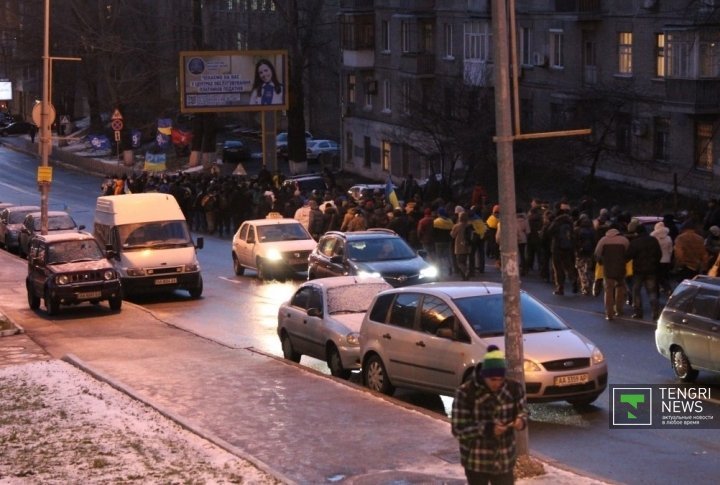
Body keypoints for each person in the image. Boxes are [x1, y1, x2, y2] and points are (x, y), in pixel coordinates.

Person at [452, 345, 529, 485]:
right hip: (476, 461)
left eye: (501, 379)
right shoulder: (465, 393)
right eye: (493, 379)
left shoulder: (513, 388)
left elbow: (523, 410)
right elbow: (458, 429)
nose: (497, 383)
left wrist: (520, 420)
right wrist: (488, 429)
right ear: (484, 375)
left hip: (504, 460)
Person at [625, 224, 662, 320]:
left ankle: (638, 312)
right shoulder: (653, 240)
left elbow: (628, 255)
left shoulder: (635, 242)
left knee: (636, 290)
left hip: (638, 270)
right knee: (652, 291)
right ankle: (655, 312)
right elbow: (659, 254)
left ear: (637, 232)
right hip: (652, 269)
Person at [594, 224, 630, 320]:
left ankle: (609, 313)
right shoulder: (624, 240)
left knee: (608, 290)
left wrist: (601, 262)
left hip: (608, 268)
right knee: (620, 288)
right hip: (621, 268)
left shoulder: (603, 240)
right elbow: (628, 253)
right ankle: (619, 310)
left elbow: (597, 253)